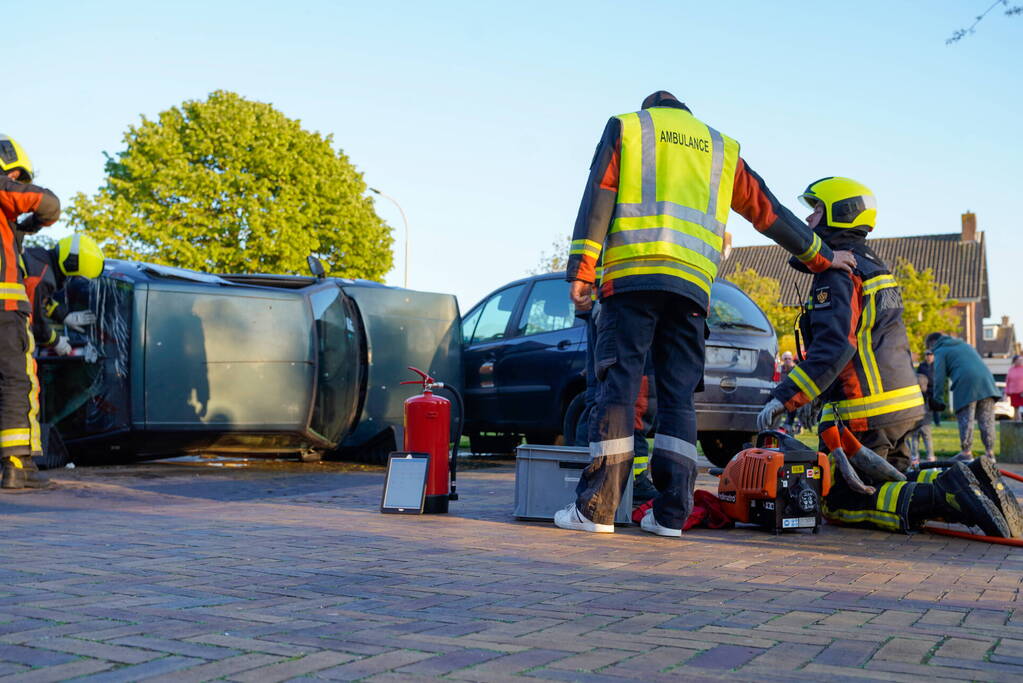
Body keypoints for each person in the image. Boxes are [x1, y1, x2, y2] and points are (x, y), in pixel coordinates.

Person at [556, 91, 856, 537]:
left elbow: (597, 198)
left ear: (651, 109)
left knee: (619, 390)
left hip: (632, 280)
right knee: (678, 398)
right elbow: (768, 212)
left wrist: (581, 271)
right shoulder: (719, 147)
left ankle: (597, 511)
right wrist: (824, 257)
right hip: (692, 290)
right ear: (687, 115)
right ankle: (671, 516)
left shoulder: (630, 128)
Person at [757, 177, 1019, 538]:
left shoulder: (838, 273)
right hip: (899, 407)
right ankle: (967, 481)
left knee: (842, 502)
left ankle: (945, 497)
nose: (807, 221)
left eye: (815, 210)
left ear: (839, 212)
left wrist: (783, 397)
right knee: (892, 477)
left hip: (865, 413)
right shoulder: (872, 264)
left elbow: (834, 347)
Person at [0, 135, 61, 490]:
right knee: (15, 382)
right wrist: (32, 224)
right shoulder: (5, 189)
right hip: (5, 310)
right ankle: (15, 464)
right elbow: (48, 203)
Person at [22, 234, 105, 353]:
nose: (68, 280)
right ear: (71, 265)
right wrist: (55, 341)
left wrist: (64, 315)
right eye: (74, 277)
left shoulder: (40, 258)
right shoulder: (42, 278)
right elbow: (34, 320)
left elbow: (40, 300)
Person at [927, 332, 1001, 460]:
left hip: (966, 384)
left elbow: (939, 378)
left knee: (966, 419)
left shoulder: (940, 350)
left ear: (933, 343)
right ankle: (990, 452)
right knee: (987, 421)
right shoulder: (965, 345)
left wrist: (937, 398)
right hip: (987, 383)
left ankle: (966, 453)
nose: (931, 353)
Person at [907, 372, 934, 464]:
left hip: (915, 421)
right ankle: (930, 456)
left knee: (915, 439)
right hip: (926, 422)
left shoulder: (912, 397)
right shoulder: (928, 396)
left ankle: (915, 457)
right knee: (927, 439)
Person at [916, 350, 942, 426]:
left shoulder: (937, 365)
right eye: (927, 355)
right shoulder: (922, 366)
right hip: (924, 389)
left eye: (930, 354)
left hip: (934, 389)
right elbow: (918, 376)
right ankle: (924, 422)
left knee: (935, 407)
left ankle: (937, 423)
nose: (929, 356)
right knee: (925, 407)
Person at [778, 351, 799, 433]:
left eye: (789, 358)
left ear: (792, 359)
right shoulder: (779, 369)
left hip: (792, 395)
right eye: (785, 358)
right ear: (782, 359)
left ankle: (789, 425)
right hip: (782, 394)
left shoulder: (796, 369)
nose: (787, 360)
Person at [1005, 354, 1023, 422]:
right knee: (1015, 407)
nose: (1021, 361)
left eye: (1022, 360)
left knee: (1020, 408)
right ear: (1015, 361)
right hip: (1013, 392)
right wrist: (1006, 392)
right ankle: (1016, 422)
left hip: (1021, 392)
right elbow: (1008, 381)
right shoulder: (1011, 370)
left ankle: (1019, 421)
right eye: (1019, 360)